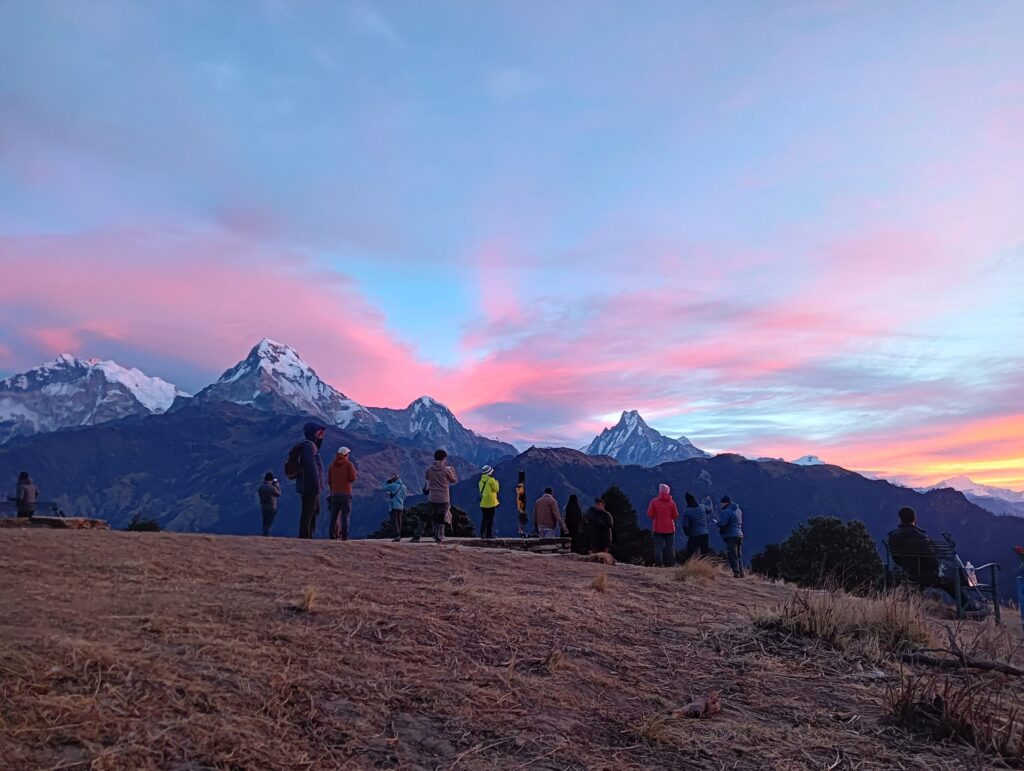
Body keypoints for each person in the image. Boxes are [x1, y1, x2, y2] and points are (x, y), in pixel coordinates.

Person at [888, 506, 979, 611]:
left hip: (908, 573)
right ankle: (969, 609)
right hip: (927, 575)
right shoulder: (920, 537)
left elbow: (896, 559)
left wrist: (908, 567)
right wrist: (937, 566)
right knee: (952, 581)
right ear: (914, 519)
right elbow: (932, 562)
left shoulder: (893, 537)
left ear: (900, 519)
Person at [415, 449, 457, 543]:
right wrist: (452, 471)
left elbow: (427, 479)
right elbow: (453, 480)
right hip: (443, 498)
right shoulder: (447, 470)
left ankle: (417, 536)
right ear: (444, 458)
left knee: (424, 516)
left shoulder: (429, 469)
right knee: (440, 517)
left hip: (432, 497)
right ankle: (439, 537)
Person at [295, 421, 327, 539]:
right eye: (319, 433)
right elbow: (311, 468)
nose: (321, 435)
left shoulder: (309, 446)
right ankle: (305, 537)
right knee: (308, 512)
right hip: (310, 487)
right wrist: (315, 486)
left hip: (310, 486)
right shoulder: (309, 446)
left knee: (312, 511)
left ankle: (308, 536)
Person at [327, 446, 358, 540]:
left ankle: (332, 535)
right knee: (345, 515)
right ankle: (344, 536)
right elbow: (352, 478)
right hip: (345, 494)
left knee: (333, 517)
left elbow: (329, 481)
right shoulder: (349, 464)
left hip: (334, 494)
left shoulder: (332, 465)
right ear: (346, 454)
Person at [646, 484, 679, 567]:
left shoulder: (654, 501)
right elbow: (675, 515)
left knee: (658, 547)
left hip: (657, 528)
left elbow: (650, 514)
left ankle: (658, 564)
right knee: (670, 546)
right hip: (670, 528)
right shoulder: (672, 502)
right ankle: (671, 564)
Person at [718, 496, 744, 577]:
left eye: (721, 503)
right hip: (740, 534)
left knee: (732, 554)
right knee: (738, 555)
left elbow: (722, 523)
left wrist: (717, 523)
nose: (721, 505)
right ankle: (741, 572)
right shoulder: (738, 510)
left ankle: (736, 573)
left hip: (731, 535)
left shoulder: (727, 511)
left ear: (725, 503)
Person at [682, 492, 711, 559]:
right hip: (705, 534)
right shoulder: (702, 507)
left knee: (691, 553)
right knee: (705, 552)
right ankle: (706, 567)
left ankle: (692, 566)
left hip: (694, 535)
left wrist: (688, 533)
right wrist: (710, 501)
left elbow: (685, 526)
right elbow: (710, 510)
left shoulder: (687, 511)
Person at [382, 473, 407, 542]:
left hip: (393, 506)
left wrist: (387, 482)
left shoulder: (393, 485)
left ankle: (397, 535)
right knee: (399, 521)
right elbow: (404, 496)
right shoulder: (404, 487)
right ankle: (399, 534)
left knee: (394, 521)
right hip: (401, 506)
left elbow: (383, 488)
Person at [257, 472, 282, 536]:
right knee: (269, 522)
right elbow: (279, 494)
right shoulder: (272, 488)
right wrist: (277, 486)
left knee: (265, 521)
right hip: (271, 507)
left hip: (263, 506)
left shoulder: (261, 488)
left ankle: (264, 533)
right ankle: (267, 534)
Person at [478, 465, 499, 539]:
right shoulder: (491, 480)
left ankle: (482, 533)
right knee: (490, 519)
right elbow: (496, 489)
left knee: (485, 518)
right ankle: (489, 534)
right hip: (491, 502)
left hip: (484, 502)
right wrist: (496, 482)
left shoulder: (481, 481)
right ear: (489, 472)